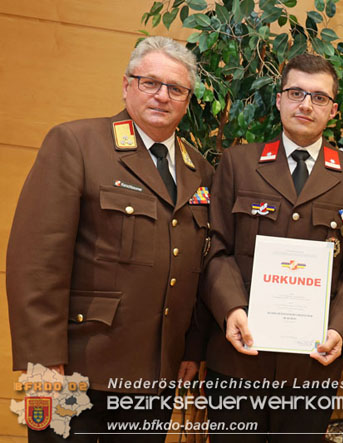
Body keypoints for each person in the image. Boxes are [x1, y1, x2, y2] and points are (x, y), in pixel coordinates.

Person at [6, 36, 214, 442]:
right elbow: (36, 262)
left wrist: (192, 349)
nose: (162, 96)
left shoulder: (200, 171)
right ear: (126, 85)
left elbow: (198, 271)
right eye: (149, 82)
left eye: (175, 89)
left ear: (187, 101)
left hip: (154, 375)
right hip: (76, 367)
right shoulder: (78, 144)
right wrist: (42, 361)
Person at [193, 53, 343, 441]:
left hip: (311, 366)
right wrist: (232, 309)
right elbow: (217, 250)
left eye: (319, 97)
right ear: (279, 100)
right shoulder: (238, 163)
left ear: (334, 110)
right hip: (238, 360)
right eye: (296, 93)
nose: (306, 105)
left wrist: (340, 330)